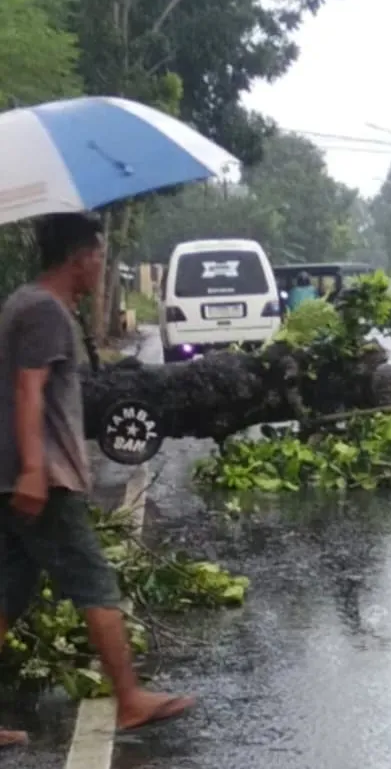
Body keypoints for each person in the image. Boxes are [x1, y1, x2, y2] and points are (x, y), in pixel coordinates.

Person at [0, 214, 194, 750]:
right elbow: (28, 390)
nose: (101, 264)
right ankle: (129, 700)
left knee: (8, 592)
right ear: (77, 256)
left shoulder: (28, 303)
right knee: (95, 584)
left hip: (15, 475)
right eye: (98, 254)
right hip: (44, 478)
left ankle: (130, 697)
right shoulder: (42, 310)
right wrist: (35, 470)